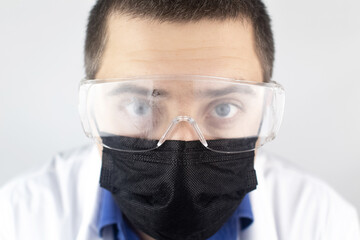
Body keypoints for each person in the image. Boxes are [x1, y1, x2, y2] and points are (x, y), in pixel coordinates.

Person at [0, 0, 359, 239]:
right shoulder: (18, 220)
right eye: (140, 106)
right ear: (94, 109)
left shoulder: (324, 223)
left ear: (263, 110)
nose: (182, 145)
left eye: (223, 108)